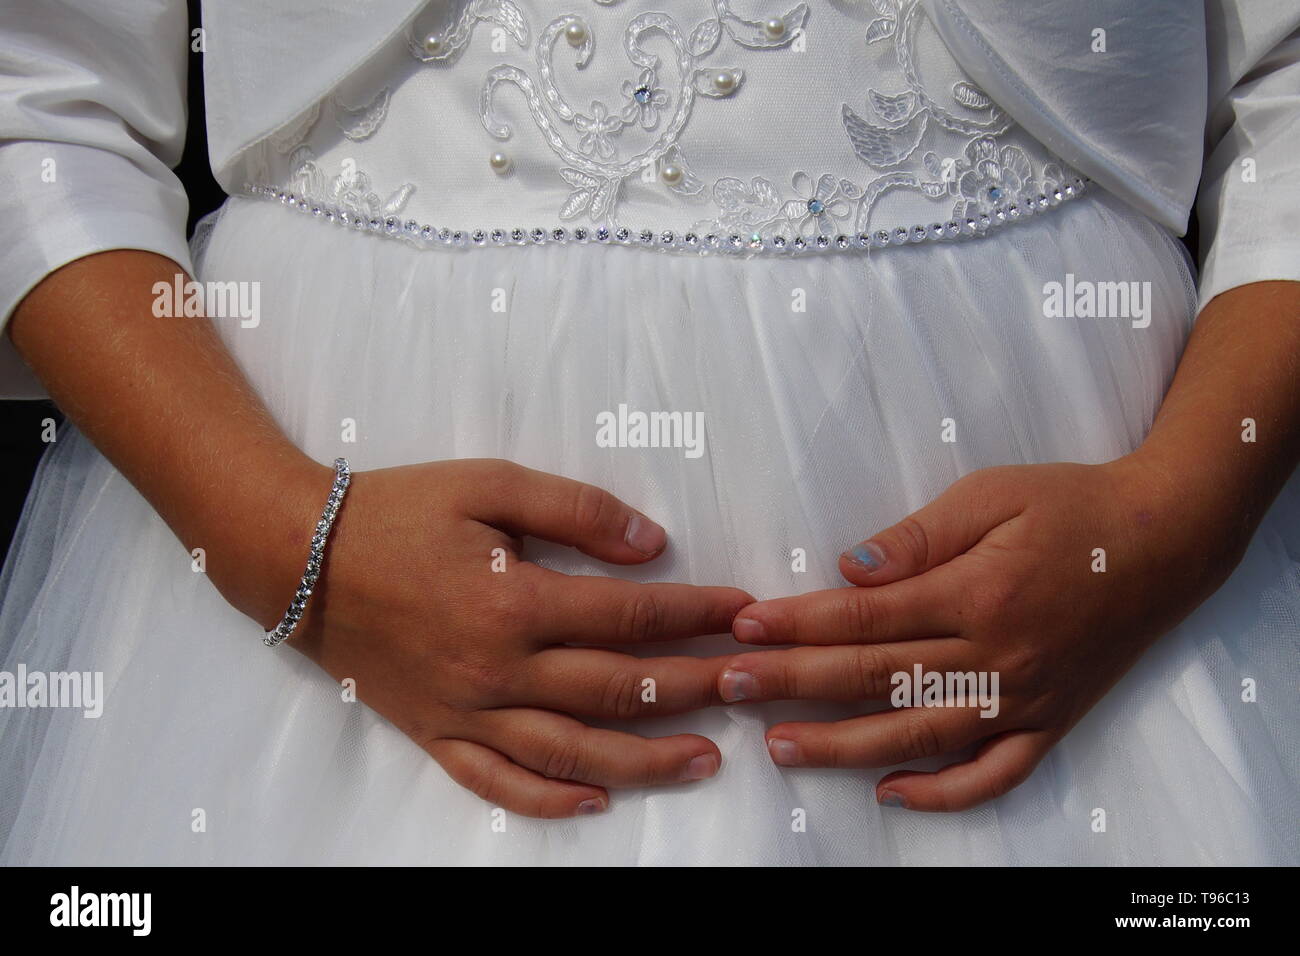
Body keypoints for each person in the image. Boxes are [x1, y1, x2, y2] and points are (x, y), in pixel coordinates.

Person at [1, 0, 1297, 865]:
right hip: (333, 577)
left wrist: (1177, 516)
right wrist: (295, 550)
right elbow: (38, 97)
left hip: (1095, 592)